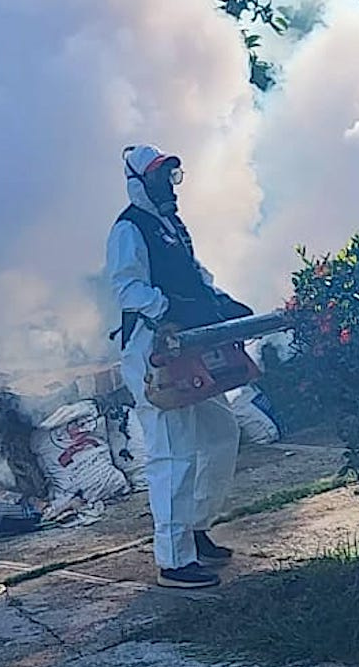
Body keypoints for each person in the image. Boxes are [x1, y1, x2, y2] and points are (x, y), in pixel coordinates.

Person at [105, 143, 253, 589]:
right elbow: (128, 289)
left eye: (170, 175)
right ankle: (174, 561)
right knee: (173, 452)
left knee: (221, 433)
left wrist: (218, 302)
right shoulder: (129, 229)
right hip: (154, 349)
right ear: (138, 182)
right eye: (157, 176)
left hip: (189, 343)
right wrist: (168, 307)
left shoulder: (172, 225)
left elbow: (195, 274)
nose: (167, 185)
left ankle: (195, 528)